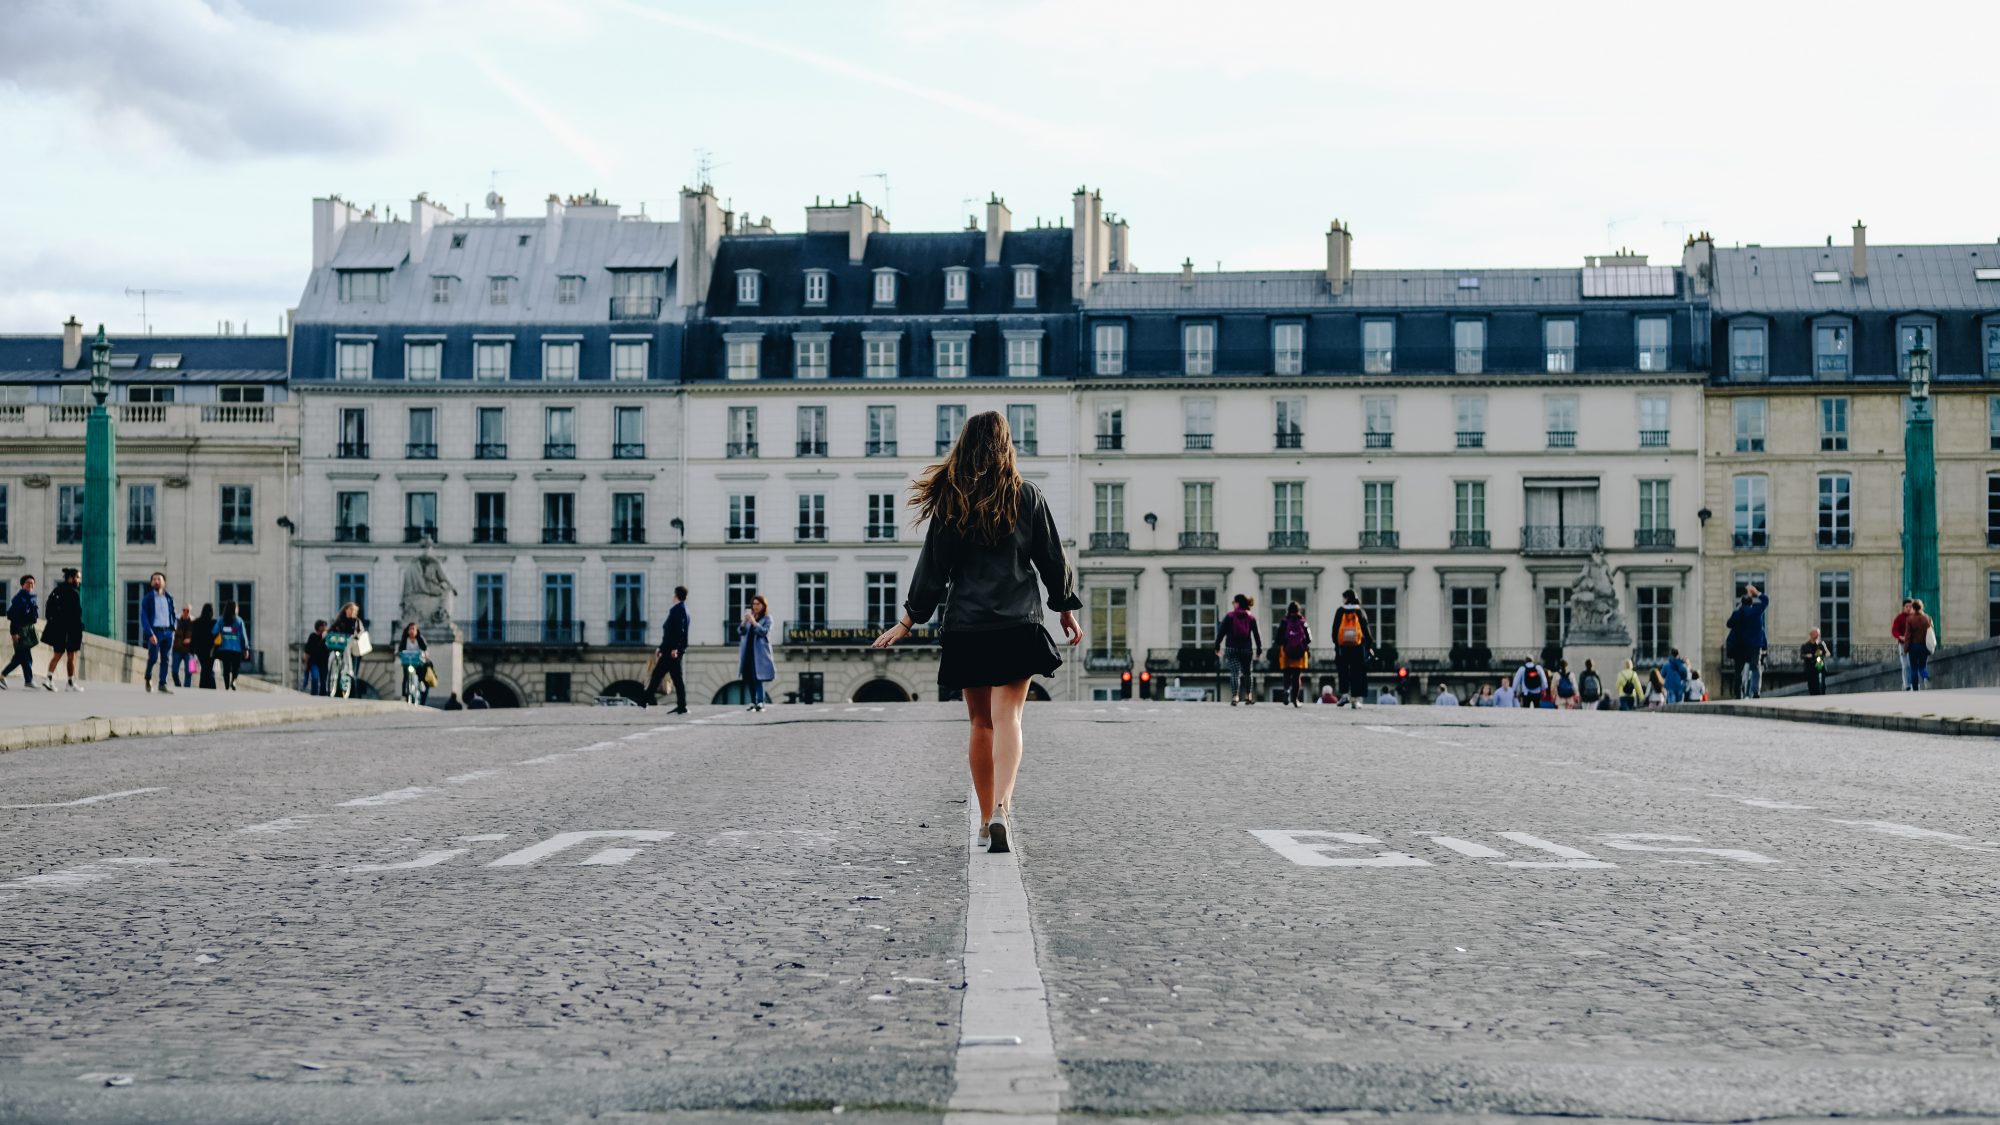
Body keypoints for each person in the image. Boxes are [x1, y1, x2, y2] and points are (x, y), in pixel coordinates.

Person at [873, 408, 1082, 855]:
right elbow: (1051, 558)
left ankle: (986, 820)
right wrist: (1064, 608)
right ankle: (1002, 808)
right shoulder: (1028, 496)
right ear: (1007, 446)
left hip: (968, 625)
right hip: (1016, 623)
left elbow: (933, 566)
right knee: (1010, 718)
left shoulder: (952, 501)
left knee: (979, 723)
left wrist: (909, 619)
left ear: (965, 447)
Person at [645, 585, 690, 712]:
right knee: (669, 677)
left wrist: (674, 648)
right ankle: (681, 705)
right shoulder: (684, 610)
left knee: (659, 675)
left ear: (676, 595)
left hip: (671, 652)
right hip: (671, 650)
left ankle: (646, 699)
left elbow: (676, 632)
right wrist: (662, 647)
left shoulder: (677, 610)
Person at [1214, 594, 1262, 706]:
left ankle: (1235, 696)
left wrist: (1217, 646)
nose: (1233, 604)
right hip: (1246, 649)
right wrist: (1259, 649)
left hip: (1231, 648)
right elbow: (1256, 635)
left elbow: (1221, 632)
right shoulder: (1251, 617)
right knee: (1248, 673)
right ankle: (1248, 696)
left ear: (1238, 603)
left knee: (1234, 673)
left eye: (1233, 602)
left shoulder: (1229, 616)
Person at [41, 568, 84, 692]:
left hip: (58, 629)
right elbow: (76, 614)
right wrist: (79, 628)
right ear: (71, 578)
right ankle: (70, 682)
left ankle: (48, 679)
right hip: (71, 629)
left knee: (57, 654)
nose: (79, 580)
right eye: (77, 577)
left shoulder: (57, 590)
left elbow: (48, 609)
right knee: (72, 655)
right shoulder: (74, 592)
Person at [1726, 584, 1770, 699]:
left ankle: (1738, 694)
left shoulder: (1738, 613)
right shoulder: (1756, 611)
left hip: (1741, 645)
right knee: (1755, 667)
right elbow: (1766, 601)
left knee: (1738, 671)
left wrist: (1738, 608)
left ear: (1741, 603)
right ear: (1751, 603)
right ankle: (1756, 692)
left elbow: (1729, 624)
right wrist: (1756, 592)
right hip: (1755, 645)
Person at [1329, 591, 1372, 708]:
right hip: (1357, 647)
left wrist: (1336, 643)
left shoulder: (1340, 611)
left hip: (1342, 647)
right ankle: (1355, 699)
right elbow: (1366, 629)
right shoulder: (1359, 611)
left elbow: (1334, 629)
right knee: (1357, 672)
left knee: (1343, 671)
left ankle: (1344, 695)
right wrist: (1369, 644)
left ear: (1347, 598)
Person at [137, 571, 177, 694]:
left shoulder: (169, 598)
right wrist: (150, 633)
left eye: (159, 579)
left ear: (164, 582)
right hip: (155, 632)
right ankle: (148, 676)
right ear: (151, 583)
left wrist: (173, 627)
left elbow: (173, 614)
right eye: (154, 579)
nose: (156, 581)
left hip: (168, 632)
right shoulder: (148, 599)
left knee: (165, 659)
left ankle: (162, 684)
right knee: (153, 657)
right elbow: (144, 617)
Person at [737, 594, 774, 711]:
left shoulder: (767, 619)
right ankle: (753, 701)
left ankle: (761, 702)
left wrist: (754, 623)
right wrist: (744, 622)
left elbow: (764, 632)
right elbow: (740, 632)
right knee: (748, 677)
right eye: (754, 604)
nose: (755, 606)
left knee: (758, 677)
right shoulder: (750, 617)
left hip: (759, 653)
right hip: (748, 651)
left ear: (763, 605)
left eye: (758, 604)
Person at [1274, 601, 1311, 707]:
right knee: (1296, 676)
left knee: (1286, 674)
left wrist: (1286, 644)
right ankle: (1295, 699)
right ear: (1299, 610)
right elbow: (1309, 638)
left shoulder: (1284, 622)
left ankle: (1286, 691)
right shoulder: (1303, 622)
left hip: (1286, 652)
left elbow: (1277, 639)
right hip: (1300, 652)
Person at [3, 575, 38, 689]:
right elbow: (14, 617)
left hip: (26, 631)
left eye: (32, 583)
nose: (30, 585)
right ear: (22, 585)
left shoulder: (29, 598)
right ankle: (4, 676)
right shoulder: (20, 599)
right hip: (19, 632)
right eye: (28, 583)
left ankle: (27, 680)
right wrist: (14, 633)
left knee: (22, 657)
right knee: (23, 658)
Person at [326, 602, 364, 698]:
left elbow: (360, 632)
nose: (352, 611)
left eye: (354, 610)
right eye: (350, 609)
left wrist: (356, 636)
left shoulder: (356, 621)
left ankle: (349, 669)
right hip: (339, 643)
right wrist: (328, 633)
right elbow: (332, 628)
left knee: (347, 649)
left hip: (351, 645)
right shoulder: (339, 620)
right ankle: (332, 670)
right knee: (332, 654)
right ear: (346, 610)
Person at [213, 601, 250, 690]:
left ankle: (226, 686)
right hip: (236, 649)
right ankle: (233, 681)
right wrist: (246, 648)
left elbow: (214, 631)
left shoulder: (221, 620)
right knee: (235, 668)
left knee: (226, 668)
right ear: (235, 609)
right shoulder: (239, 621)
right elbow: (243, 636)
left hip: (224, 648)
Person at [395, 621, 430, 704]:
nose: (412, 631)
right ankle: (404, 695)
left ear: (416, 631)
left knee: (422, 670)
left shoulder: (419, 639)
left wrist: (425, 653)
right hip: (408, 661)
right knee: (405, 677)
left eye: (414, 629)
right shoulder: (405, 639)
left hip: (417, 661)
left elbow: (425, 648)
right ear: (407, 630)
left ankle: (421, 682)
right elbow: (400, 649)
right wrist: (399, 653)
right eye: (410, 629)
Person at [1906, 599, 1936, 690]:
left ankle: (1915, 688)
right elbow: (1931, 631)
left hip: (1913, 647)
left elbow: (1908, 635)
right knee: (1922, 666)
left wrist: (1906, 648)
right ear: (1922, 607)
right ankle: (1925, 676)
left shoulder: (1910, 619)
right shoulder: (1927, 618)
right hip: (1924, 646)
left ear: (1913, 608)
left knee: (1913, 668)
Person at [189, 603, 218, 689]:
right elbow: (217, 636)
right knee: (208, 668)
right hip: (211, 649)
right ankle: (211, 686)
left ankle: (203, 686)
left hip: (200, 650)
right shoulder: (214, 623)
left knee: (205, 667)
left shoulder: (196, 622)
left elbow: (193, 637)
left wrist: (191, 649)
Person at [1891, 599, 1915, 690]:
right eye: (1907, 607)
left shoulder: (1915, 617)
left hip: (1913, 644)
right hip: (1902, 645)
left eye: (1910, 607)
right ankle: (1906, 685)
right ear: (1903, 607)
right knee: (1905, 665)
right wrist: (1900, 637)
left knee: (1912, 664)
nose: (1909, 608)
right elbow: (1894, 630)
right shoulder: (1899, 618)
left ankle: (1913, 684)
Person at [1800, 628, 1832, 696]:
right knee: (1811, 684)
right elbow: (1801, 656)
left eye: (1818, 634)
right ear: (1811, 635)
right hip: (1810, 667)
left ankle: (1822, 695)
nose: (1817, 636)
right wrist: (1807, 655)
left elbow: (1828, 653)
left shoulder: (1821, 644)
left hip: (1819, 664)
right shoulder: (1805, 645)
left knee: (1821, 684)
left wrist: (1821, 654)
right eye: (1816, 634)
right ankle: (1813, 697)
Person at [302, 619, 329, 695]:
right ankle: (314, 694)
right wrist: (306, 664)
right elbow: (307, 651)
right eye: (324, 626)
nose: (325, 628)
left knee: (323, 681)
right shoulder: (312, 636)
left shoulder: (327, 637)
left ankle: (322, 696)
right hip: (314, 663)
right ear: (319, 627)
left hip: (324, 663)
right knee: (315, 678)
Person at [173, 606, 196, 688]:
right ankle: (178, 685)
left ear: (190, 611)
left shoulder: (194, 622)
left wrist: (190, 640)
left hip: (190, 651)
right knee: (174, 671)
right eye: (184, 610)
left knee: (189, 672)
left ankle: (187, 689)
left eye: (188, 610)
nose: (186, 612)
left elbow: (198, 636)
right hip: (177, 649)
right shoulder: (176, 621)